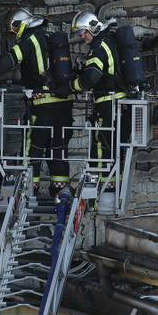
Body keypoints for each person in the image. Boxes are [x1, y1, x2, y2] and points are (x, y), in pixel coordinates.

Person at [0, 8, 73, 197]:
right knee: (58, 147)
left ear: (21, 24)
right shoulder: (49, 38)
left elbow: (9, 61)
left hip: (43, 104)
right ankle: (59, 190)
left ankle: (32, 188)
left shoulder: (29, 41)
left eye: (14, 28)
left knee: (34, 146)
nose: (14, 33)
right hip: (64, 104)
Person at [67, 11, 128, 188]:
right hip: (115, 102)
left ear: (92, 28)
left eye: (83, 32)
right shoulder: (107, 41)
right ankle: (108, 186)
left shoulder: (98, 47)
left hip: (108, 103)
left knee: (102, 147)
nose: (81, 36)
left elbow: (90, 79)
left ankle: (103, 189)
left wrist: (71, 87)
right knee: (110, 146)